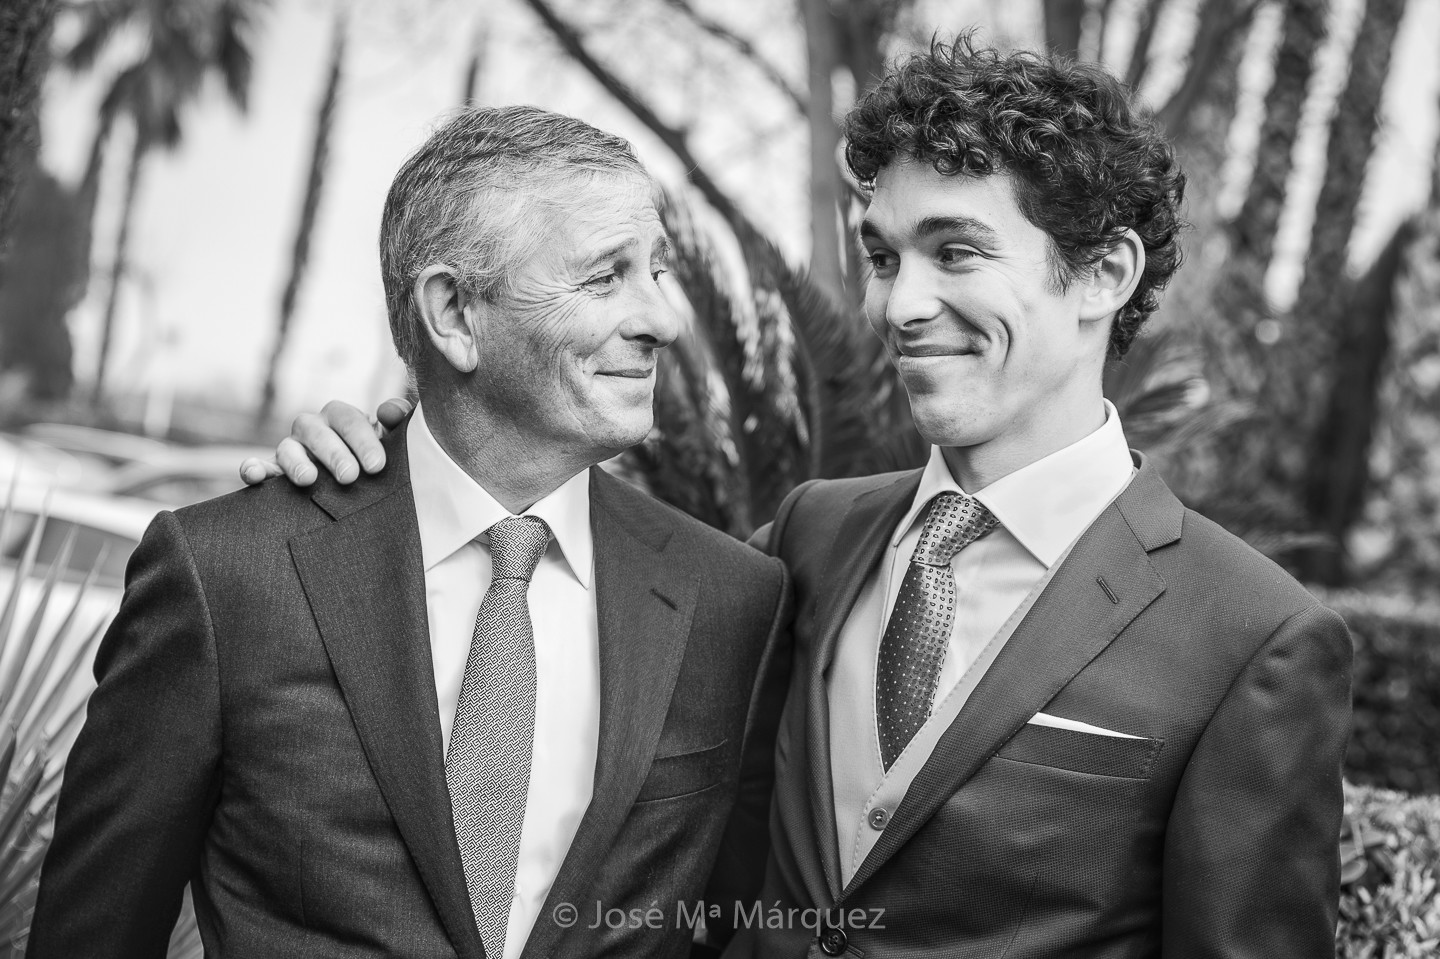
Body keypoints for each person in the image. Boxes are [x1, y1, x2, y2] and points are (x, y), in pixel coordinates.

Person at [256, 39, 1353, 958]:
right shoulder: (808, 541)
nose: (900, 303)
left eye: (955, 251)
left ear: (1105, 273)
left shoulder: (1253, 638)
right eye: (883, 256)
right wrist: (390, 470)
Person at [30, 106, 790, 959]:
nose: (665, 319)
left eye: (656, 271)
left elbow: (726, 929)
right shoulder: (227, 575)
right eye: (606, 278)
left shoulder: (731, 598)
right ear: (456, 313)